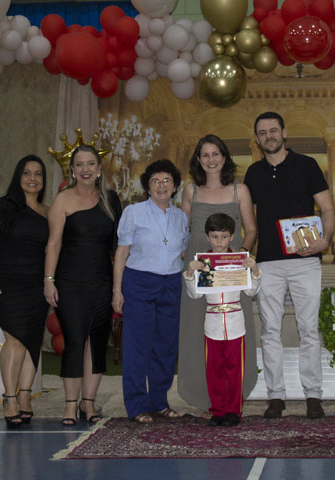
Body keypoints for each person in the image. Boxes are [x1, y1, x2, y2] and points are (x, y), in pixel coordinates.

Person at [244, 112, 335, 419]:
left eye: (273, 130)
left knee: (309, 329)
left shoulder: (307, 165)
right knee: (270, 330)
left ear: (284, 132)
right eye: (262, 132)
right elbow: (248, 221)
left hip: (305, 261)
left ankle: (313, 395)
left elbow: (327, 208)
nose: (268, 136)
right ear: (257, 138)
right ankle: (276, 396)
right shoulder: (253, 173)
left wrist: (324, 241)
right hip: (267, 263)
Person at [178, 134, 258, 413]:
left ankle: (233, 397)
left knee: (234, 332)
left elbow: (251, 230)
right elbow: (182, 230)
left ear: (224, 157)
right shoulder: (191, 190)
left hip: (231, 273)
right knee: (196, 330)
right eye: (205, 155)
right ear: (198, 160)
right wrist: (188, 265)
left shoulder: (240, 190)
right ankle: (204, 396)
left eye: (216, 154)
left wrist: (237, 259)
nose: (211, 160)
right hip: (199, 271)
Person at [44, 144, 121, 426]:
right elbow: (53, 244)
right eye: (79, 164)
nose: (85, 169)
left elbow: (119, 246)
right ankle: (69, 404)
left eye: (91, 164)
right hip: (69, 283)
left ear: (99, 169)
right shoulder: (62, 200)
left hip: (102, 282)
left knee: (97, 343)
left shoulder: (110, 200)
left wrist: (118, 286)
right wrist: (49, 280)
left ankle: (88, 403)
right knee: (75, 340)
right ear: (72, 170)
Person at [112, 159, 189, 424]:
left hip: (171, 283)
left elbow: (182, 252)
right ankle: (136, 405)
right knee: (137, 345)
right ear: (147, 186)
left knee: (166, 346)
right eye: (155, 181)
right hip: (139, 282)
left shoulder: (181, 217)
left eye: (167, 180)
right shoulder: (133, 212)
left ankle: (159, 402)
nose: (161, 185)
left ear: (175, 186)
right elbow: (122, 252)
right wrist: (117, 290)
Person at [0, 155, 49, 428]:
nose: (32, 179)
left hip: (37, 286)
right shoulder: (6, 205)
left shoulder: (48, 212)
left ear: (43, 179)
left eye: (38, 174)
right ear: (18, 177)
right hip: (8, 283)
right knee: (15, 339)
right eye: (26, 173)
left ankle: (25, 397)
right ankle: (9, 398)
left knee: (32, 340)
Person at [184, 213, 261, 427]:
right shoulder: (204, 263)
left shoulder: (239, 261)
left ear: (232, 237)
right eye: (215, 237)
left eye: (224, 237)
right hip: (212, 324)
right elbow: (195, 295)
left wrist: (254, 269)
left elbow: (251, 292)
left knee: (235, 370)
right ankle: (217, 411)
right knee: (214, 371)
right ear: (207, 237)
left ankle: (233, 411)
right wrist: (190, 273)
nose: (219, 242)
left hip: (236, 323)